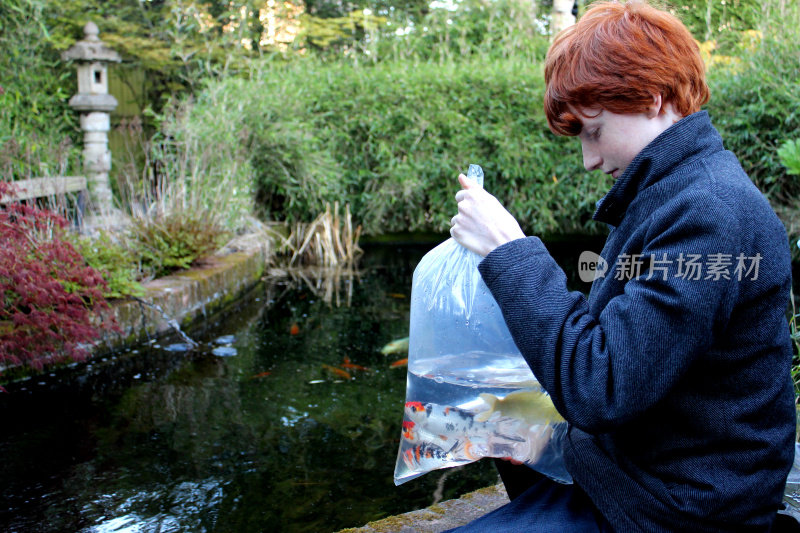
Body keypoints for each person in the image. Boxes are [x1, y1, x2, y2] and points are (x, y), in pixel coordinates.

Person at [446, 1, 797, 531]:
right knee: (487, 413)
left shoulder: (709, 214)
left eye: (594, 131)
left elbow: (600, 387)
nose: (589, 159)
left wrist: (507, 249)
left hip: (685, 507)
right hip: (644, 461)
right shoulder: (674, 190)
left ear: (652, 97)